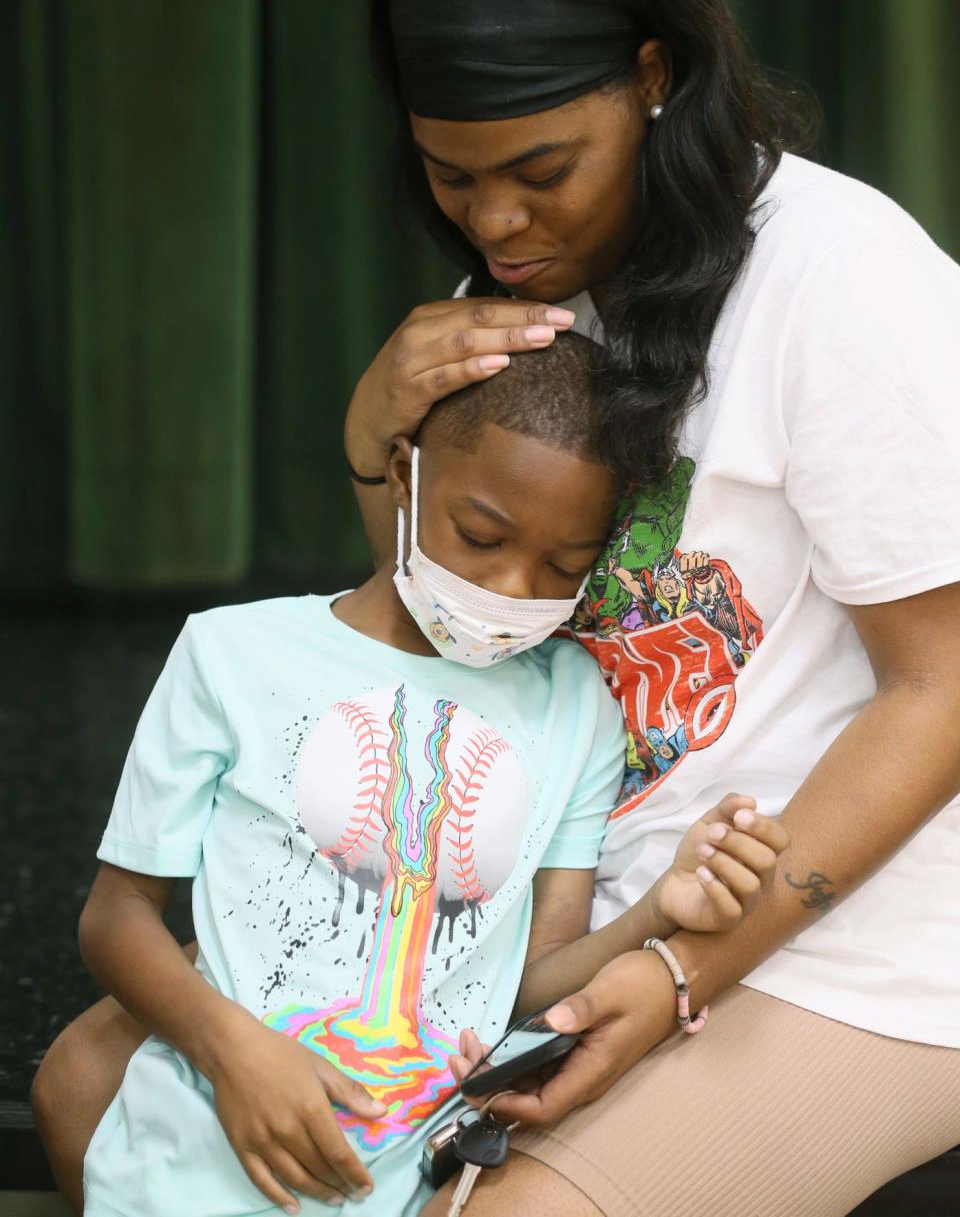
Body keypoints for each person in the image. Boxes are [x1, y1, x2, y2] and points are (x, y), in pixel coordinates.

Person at [32, 0, 960, 1217]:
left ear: (656, 77)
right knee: (90, 1086)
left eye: (540, 171)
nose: (497, 224)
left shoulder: (844, 281)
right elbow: (466, 627)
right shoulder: (527, 290)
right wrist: (375, 436)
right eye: (451, 176)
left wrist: (684, 970)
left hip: (852, 948)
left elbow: (943, 691)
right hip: (552, 918)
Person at [62, 333, 787, 1217]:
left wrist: (658, 912)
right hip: (184, 1181)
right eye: (480, 537)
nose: (514, 589)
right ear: (404, 477)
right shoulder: (228, 653)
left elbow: (530, 979)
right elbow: (116, 917)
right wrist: (233, 1052)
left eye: (564, 567)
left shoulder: (577, 708)